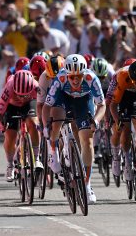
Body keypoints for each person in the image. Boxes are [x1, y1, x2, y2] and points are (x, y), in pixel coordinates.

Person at [44, 54, 105, 204]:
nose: (76, 80)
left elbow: (102, 105)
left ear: (84, 73)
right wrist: (46, 126)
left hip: (84, 101)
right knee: (56, 122)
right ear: (67, 74)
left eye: (79, 76)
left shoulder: (91, 78)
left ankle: (87, 184)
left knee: (87, 141)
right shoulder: (61, 78)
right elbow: (47, 106)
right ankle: (54, 151)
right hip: (63, 98)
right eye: (72, 77)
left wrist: (96, 121)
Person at [0, 70, 42, 182]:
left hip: (29, 104)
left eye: (25, 95)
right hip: (11, 106)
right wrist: (2, 127)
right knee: (10, 135)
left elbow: (43, 105)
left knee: (33, 123)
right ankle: (10, 164)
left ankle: (36, 158)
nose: (22, 98)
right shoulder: (9, 86)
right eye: (19, 95)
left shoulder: (36, 86)